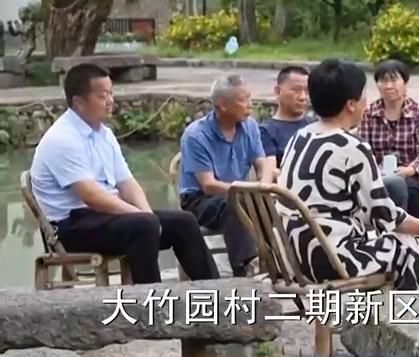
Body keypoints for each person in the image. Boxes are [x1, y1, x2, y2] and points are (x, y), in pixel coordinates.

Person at [278, 59, 419, 290]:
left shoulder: (299, 137)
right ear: (351, 105)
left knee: (381, 237)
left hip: (291, 257)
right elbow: (387, 217)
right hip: (330, 261)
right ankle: (396, 311)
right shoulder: (352, 147)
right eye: (363, 96)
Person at [29, 63, 218, 284]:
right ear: (79, 102)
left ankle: (214, 291)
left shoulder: (104, 134)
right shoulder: (62, 139)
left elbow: (127, 183)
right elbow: (92, 196)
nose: (110, 101)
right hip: (70, 227)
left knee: (184, 222)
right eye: (102, 96)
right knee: (142, 226)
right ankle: (149, 298)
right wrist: (142, 217)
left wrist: (146, 213)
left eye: (111, 93)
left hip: (104, 218)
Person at [178, 74, 276, 276]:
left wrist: (264, 187)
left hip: (242, 194)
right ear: (223, 104)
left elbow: (262, 164)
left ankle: (274, 261)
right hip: (200, 200)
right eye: (244, 100)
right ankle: (245, 267)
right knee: (234, 205)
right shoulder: (196, 135)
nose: (250, 105)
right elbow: (208, 185)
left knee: (269, 202)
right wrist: (248, 191)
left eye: (250, 98)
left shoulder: (250, 126)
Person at [360, 59, 419, 219]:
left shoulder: (418, 113)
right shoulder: (369, 113)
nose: (388, 86)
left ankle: (417, 231)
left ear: (405, 83)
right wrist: (376, 170)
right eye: (383, 81)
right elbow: (364, 149)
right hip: (379, 173)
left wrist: (409, 170)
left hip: (412, 174)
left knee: (409, 191)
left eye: (393, 80)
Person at [259, 66, 314, 167]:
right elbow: (270, 170)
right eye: (296, 90)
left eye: (307, 91)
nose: (302, 97)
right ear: (278, 91)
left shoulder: (316, 125)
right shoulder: (266, 131)